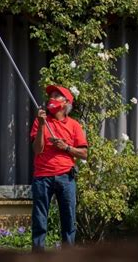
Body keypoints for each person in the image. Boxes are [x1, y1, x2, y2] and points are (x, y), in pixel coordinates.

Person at [30, 85, 88, 251]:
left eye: (56, 96)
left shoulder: (74, 125)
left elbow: (84, 153)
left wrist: (66, 147)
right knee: (39, 220)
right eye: (51, 96)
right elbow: (37, 149)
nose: (51, 99)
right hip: (42, 177)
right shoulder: (40, 121)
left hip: (66, 177)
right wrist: (41, 125)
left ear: (65, 103)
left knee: (69, 220)